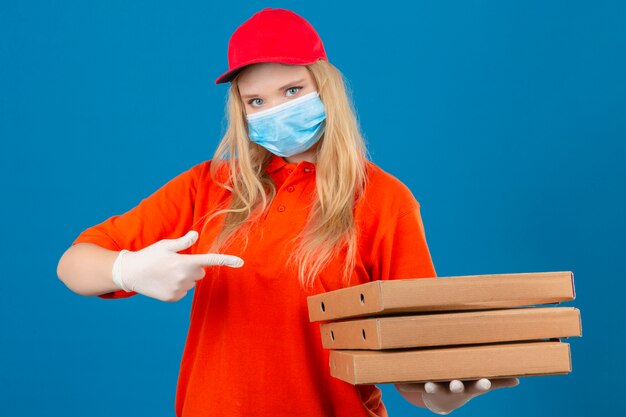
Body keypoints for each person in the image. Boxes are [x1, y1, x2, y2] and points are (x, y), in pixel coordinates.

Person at [57, 7, 519, 417]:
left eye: (292, 89)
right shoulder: (209, 188)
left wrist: (441, 395)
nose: (274, 110)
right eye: (256, 101)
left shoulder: (383, 200)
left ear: (326, 86)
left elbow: (411, 365)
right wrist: (129, 269)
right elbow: (74, 266)